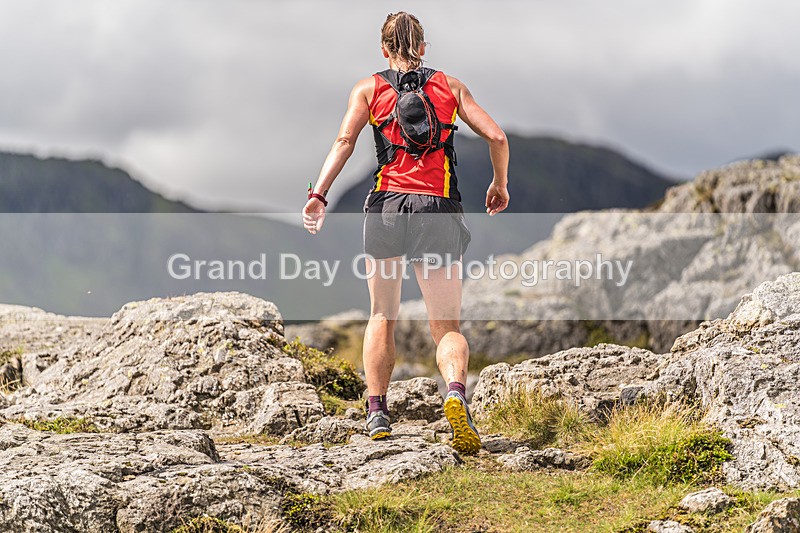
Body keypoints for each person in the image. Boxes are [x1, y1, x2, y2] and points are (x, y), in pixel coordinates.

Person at [302, 12, 509, 455]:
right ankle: (455, 392)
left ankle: (377, 411)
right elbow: (497, 137)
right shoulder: (450, 88)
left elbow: (344, 142)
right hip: (438, 209)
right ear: (423, 47)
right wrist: (499, 184)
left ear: (384, 49)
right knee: (445, 326)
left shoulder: (368, 88)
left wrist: (319, 194)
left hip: (387, 208)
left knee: (382, 314)